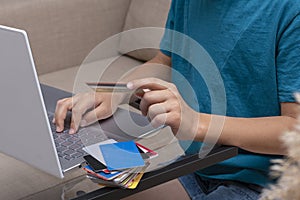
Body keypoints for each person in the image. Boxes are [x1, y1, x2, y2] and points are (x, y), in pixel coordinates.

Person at [53, 0, 300, 199]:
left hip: (264, 182)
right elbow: (166, 60)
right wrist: (115, 92)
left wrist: (198, 124)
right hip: (196, 165)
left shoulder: (291, 10)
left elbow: (295, 129)